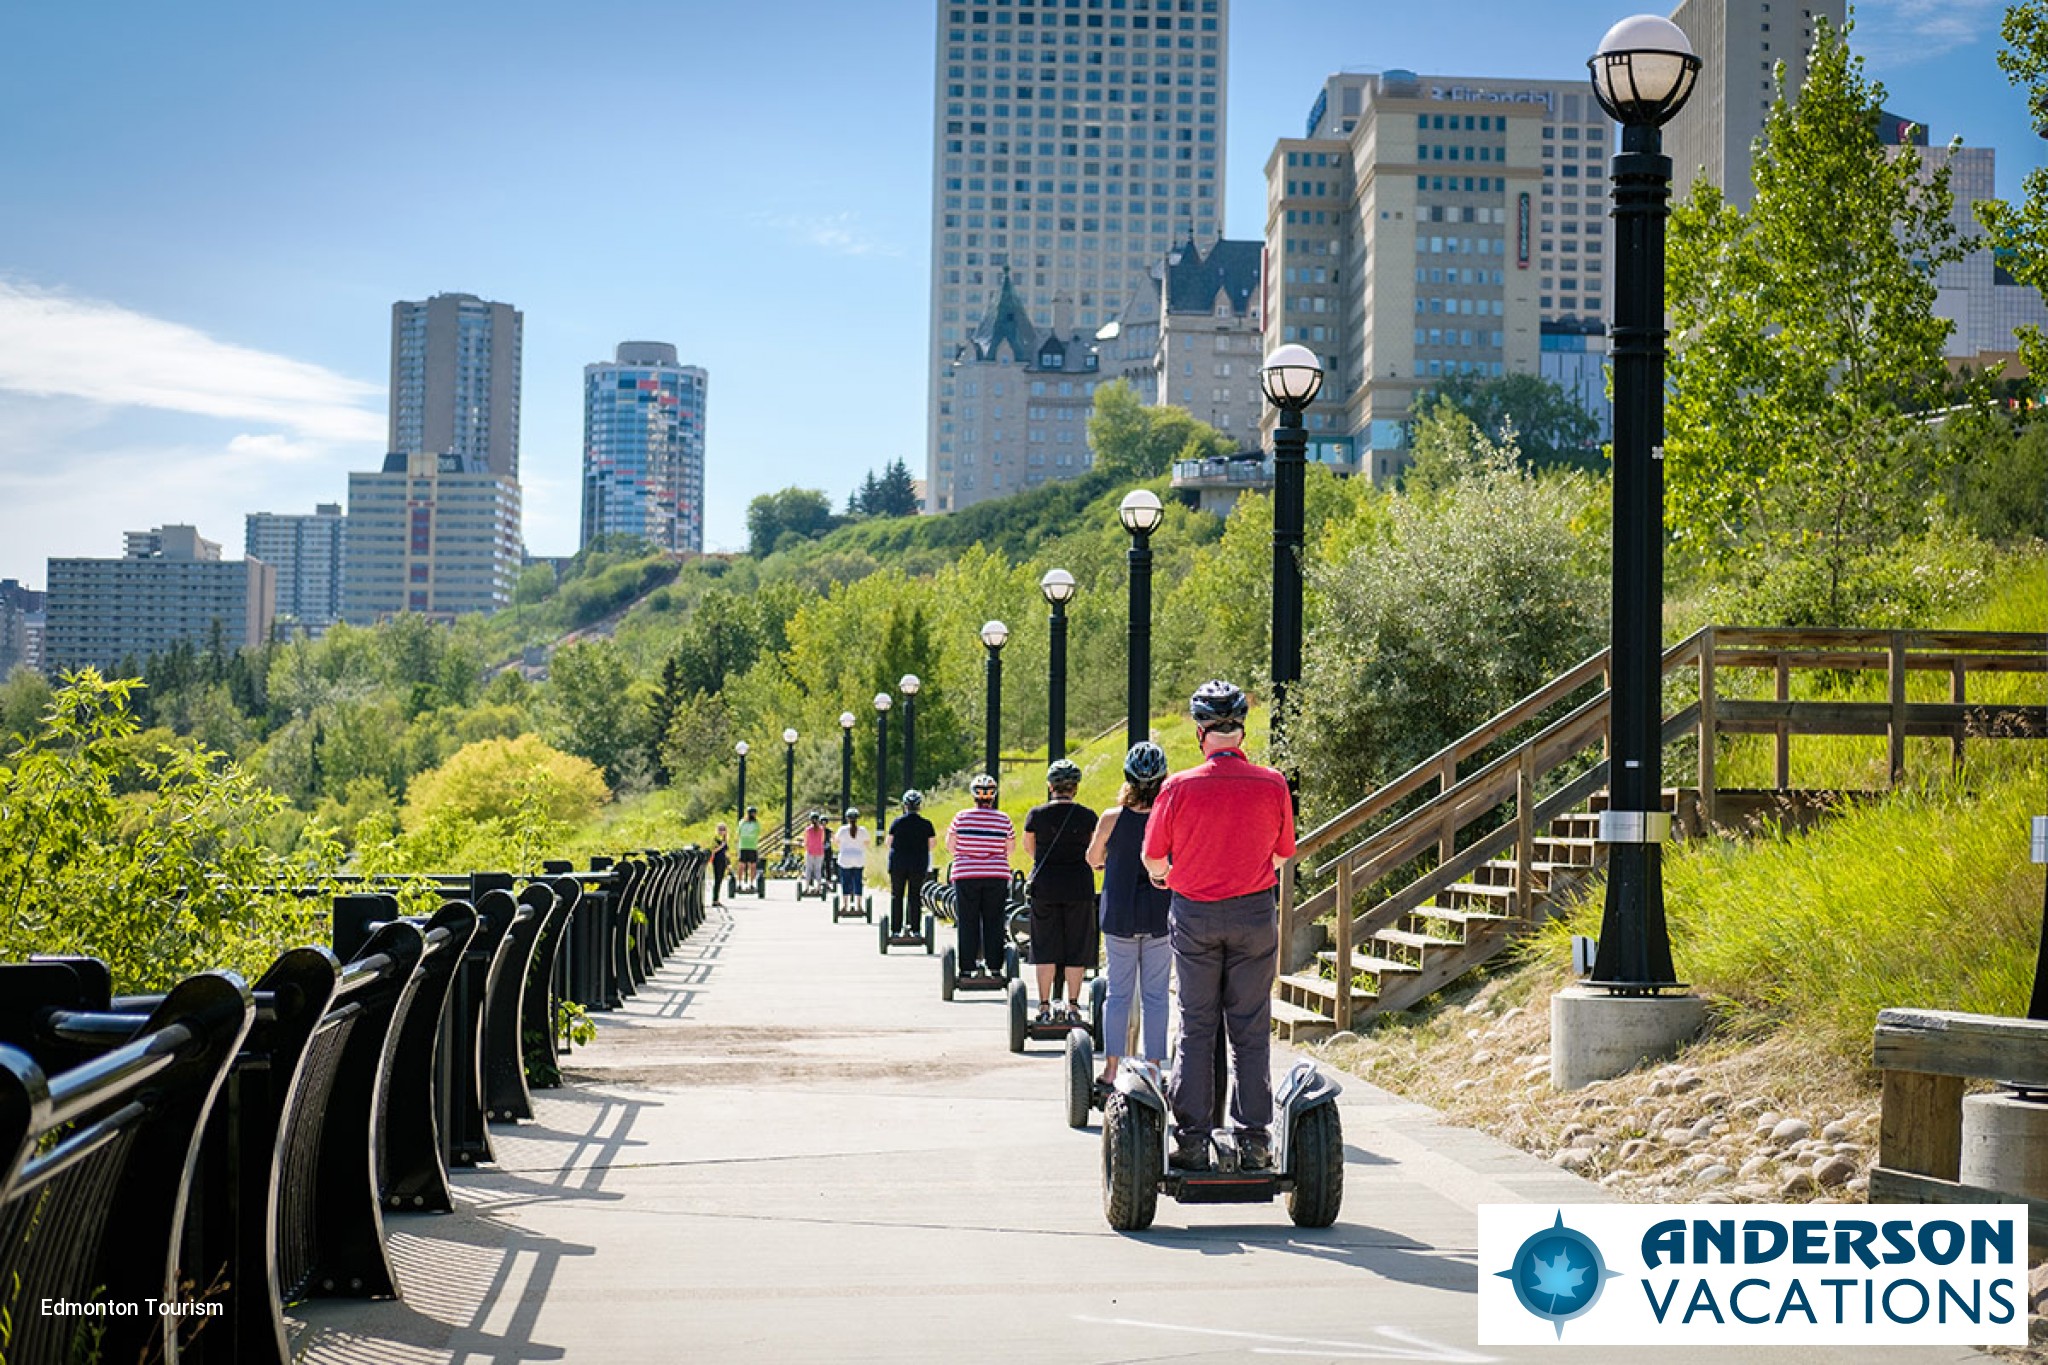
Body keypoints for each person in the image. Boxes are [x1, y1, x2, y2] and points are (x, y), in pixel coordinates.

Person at [1141, 680, 1296, 1173]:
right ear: (1241, 730)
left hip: (1196, 915)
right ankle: (1254, 1139)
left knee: (1196, 1024)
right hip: (1254, 914)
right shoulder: (1272, 783)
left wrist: (1166, 875)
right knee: (1249, 1027)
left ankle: (1191, 1138)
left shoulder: (1178, 786)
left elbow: (1152, 857)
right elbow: (1284, 851)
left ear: (1200, 730)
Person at [1085, 742, 1172, 1086]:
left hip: (1119, 916)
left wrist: (1107, 861)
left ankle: (1110, 1070)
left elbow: (1093, 858)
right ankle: (1152, 1068)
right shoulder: (1169, 818)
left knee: (1118, 995)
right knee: (1155, 996)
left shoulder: (1111, 818)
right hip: (1159, 916)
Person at [1022, 759, 1098, 1024]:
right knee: (1076, 946)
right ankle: (1073, 1005)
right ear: (1075, 787)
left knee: (1044, 946)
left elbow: (1029, 849)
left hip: (1045, 886)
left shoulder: (1036, 815)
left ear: (1050, 786)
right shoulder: (1087, 816)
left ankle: (1043, 1006)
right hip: (1078, 885)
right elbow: (1093, 852)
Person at [944, 773, 1015, 978]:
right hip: (996, 875)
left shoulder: (961, 817)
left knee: (968, 920)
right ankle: (994, 966)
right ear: (993, 796)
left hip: (966, 875)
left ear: (973, 795)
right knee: (994, 919)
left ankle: (967, 967)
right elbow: (1009, 849)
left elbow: (951, 845)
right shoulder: (1003, 819)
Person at [885, 789, 937, 936]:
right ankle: (915, 929)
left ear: (905, 805)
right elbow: (932, 845)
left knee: (897, 895)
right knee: (915, 896)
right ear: (920, 806)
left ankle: (895, 930)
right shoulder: (926, 824)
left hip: (898, 864)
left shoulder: (897, 822)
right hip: (918, 864)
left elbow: (888, 843)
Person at [834, 807, 870, 904]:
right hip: (858, 858)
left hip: (845, 858)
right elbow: (867, 843)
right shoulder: (862, 830)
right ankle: (859, 905)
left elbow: (836, 841)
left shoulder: (842, 830)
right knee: (858, 881)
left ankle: (845, 905)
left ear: (847, 818)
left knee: (845, 881)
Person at [736, 806, 761, 893]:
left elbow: (758, 833)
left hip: (752, 846)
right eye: (753, 813)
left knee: (753, 866)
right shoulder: (742, 822)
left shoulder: (756, 823)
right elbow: (738, 833)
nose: (754, 815)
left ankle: (752, 883)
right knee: (741, 866)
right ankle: (739, 883)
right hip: (743, 846)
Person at [802, 811, 828, 890]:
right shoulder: (821, 829)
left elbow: (805, 841)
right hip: (820, 852)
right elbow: (822, 840)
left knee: (809, 869)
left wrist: (805, 846)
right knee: (818, 869)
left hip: (810, 851)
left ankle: (806, 887)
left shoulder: (808, 829)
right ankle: (818, 887)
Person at [709, 822, 731, 908]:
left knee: (720, 880)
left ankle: (717, 899)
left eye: (723, 829)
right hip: (717, 860)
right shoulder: (716, 839)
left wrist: (728, 863)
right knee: (717, 879)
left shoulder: (725, 840)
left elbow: (726, 853)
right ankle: (715, 899)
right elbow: (713, 850)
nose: (722, 831)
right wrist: (721, 846)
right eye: (720, 829)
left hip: (723, 860)